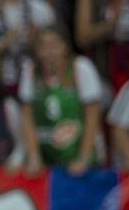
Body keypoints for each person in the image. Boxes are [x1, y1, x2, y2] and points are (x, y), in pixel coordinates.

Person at [19, 26, 105, 175]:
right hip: (47, 157)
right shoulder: (30, 71)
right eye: (43, 46)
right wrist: (34, 156)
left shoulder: (81, 67)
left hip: (82, 156)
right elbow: (27, 118)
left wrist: (83, 158)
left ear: (65, 46)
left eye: (54, 45)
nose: (49, 51)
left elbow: (92, 117)